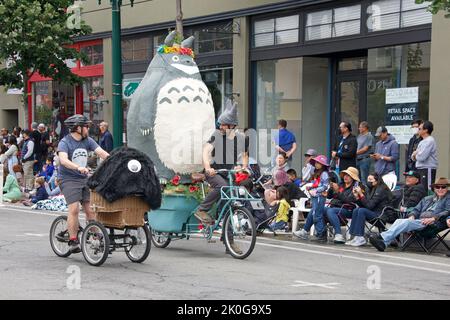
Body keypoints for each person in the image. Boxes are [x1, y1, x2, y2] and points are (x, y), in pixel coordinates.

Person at [57, 114, 109, 253]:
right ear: (77, 128)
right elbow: (63, 160)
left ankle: (95, 237)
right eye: (86, 126)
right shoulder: (65, 142)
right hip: (68, 179)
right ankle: (73, 239)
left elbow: (102, 153)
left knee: (90, 210)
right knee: (74, 209)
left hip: (84, 178)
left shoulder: (88, 140)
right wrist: (77, 167)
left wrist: (116, 160)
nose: (88, 128)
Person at [369, 177, 450, 252]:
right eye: (437, 187)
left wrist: (434, 218)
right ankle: (384, 244)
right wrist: (412, 216)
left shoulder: (448, 199)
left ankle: (382, 237)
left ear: (447, 188)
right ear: (434, 188)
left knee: (406, 222)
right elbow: (416, 209)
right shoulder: (427, 199)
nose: (440, 189)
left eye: (443, 187)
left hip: (433, 224)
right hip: (420, 221)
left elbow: (447, 211)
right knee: (399, 220)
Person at [346, 172, 393, 247]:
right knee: (356, 210)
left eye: (370, 179)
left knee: (361, 211)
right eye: (367, 179)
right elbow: (365, 204)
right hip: (373, 212)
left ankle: (360, 238)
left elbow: (369, 206)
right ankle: (355, 236)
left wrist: (361, 194)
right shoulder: (371, 189)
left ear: (377, 181)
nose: (368, 181)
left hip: (382, 215)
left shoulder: (381, 189)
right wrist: (357, 197)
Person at [293, 155, 330, 242]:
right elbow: (316, 184)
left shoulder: (324, 174)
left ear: (322, 165)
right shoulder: (317, 173)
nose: (316, 164)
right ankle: (319, 234)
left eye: (318, 163)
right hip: (315, 196)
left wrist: (316, 191)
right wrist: (311, 188)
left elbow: (325, 186)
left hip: (319, 196)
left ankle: (321, 234)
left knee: (317, 215)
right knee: (315, 214)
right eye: (316, 162)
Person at [325, 167, 361, 244]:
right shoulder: (341, 184)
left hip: (347, 210)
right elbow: (329, 197)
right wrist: (331, 189)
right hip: (335, 207)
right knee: (318, 209)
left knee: (330, 211)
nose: (345, 177)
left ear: (353, 178)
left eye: (348, 175)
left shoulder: (355, 187)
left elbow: (349, 201)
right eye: (345, 175)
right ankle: (307, 231)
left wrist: (338, 192)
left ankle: (339, 234)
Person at [412, 121, 438, 192]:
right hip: (420, 168)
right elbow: (413, 156)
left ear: (426, 130)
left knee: (427, 190)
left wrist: (416, 154)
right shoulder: (422, 141)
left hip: (427, 168)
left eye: (420, 129)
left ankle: (429, 203)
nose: (418, 130)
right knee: (421, 190)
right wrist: (415, 154)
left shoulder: (430, 141)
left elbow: (422, 157)